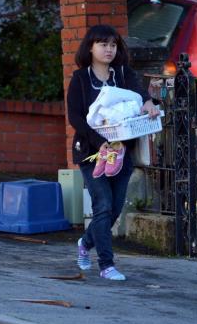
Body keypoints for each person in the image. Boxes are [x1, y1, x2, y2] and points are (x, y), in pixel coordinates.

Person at [67, 24, 159, 281]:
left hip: (121, 154)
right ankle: (107, 265)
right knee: (103, 206)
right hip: (92, 153)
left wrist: (149, 102)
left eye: (113, 45)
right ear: (91, 47)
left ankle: (85, 243)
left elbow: (139, 94)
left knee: (114, 210)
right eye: (102, 44)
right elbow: (76, 118)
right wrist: (100, 143)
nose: (108, 49)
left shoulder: (123, 73)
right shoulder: (80, 79)